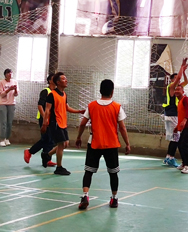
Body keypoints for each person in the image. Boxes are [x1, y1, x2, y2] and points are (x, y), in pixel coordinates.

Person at [75, 79, 131, 210]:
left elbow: (82, 123)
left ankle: (85, 195)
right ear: (112, 92)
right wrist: (127, 143)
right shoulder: (117, 107)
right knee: (113, 173)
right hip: (111, 144)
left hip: (94, 143)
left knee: (88, 171)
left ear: (100, 91)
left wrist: (78, 137)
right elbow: (122, 128)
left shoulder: (91, 106)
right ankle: (114, 198)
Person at [41, 73, 85, 175]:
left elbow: (67, 108)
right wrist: (44, 124)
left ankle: (47, 155)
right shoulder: (52, 95)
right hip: (55, 123)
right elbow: (47, 110)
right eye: (64, 79)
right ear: (58, 82)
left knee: (65, 144)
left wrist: (79, 111)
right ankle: (59, 168)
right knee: (61, 144)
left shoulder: (64, 94)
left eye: (66, 78)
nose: (66, 80)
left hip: (63, 123)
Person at [24, 73, 57, 168]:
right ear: (50, 81)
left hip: (52, 119)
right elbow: (40, 106)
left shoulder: (56, 92)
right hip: (44, 118)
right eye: (54, 78)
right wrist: (45, 118)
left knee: (50, 140)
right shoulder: (45, 91)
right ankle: (30, 151)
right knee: (46, 139)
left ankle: (47, 160)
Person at [162, 58, 188, 168]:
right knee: (176, 138)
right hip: (172, 114)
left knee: (174, 138)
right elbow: (179, 79)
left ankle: (168, 157)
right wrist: (182, 67)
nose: (178, 80)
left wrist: (184, 71)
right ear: (172, 79)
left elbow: (185, 82)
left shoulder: (177, 88)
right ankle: (171, 158)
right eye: (176, 78)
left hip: (170, 114)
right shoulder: (171, 86)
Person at [0, 68, 18, 147]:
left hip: (11, 104)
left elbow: (16, 94)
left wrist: (15, 89)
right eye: (8, 73)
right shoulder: (1, 82)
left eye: (11, 73)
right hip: (3, 104)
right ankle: (2, 139)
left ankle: (7, 138)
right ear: (5, 75)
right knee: (3, 122)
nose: (10, 74)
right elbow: (2, 94)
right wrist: (9, 89)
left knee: (9, 122)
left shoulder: (15, 82)